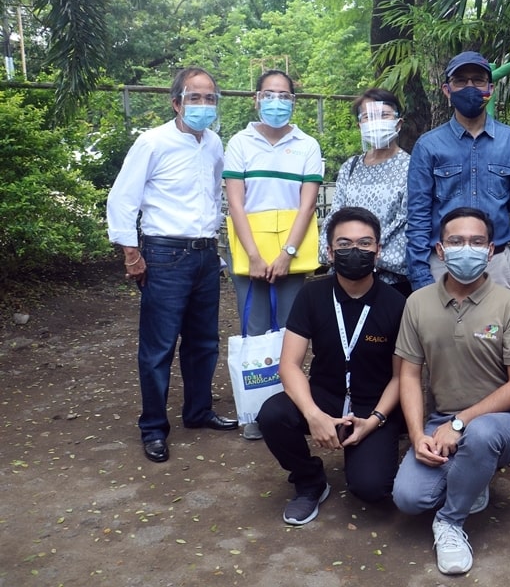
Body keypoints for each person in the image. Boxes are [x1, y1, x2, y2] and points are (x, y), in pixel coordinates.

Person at [392, 207, 510, 575]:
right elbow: (409, 376)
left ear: (491, 251)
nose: (466, 249)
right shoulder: (417, 303)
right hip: (440, 419)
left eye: (476, 241)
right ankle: (472, 478)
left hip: (502, 423)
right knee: (409, 498)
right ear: (440, 251)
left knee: (481, 434)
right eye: (456, 241)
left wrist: (460, 424)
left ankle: (450, 523)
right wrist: (415, 436)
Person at [106, 66, 238, 464]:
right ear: (176, 102)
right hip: (164, 255)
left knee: (204, 342)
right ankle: (153, 428)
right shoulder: (152, 143)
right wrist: (132, 254)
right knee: (159, 347)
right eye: (194, 97)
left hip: (204, 254)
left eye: (209, 98)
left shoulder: (214, 143)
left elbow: (217, 193)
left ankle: (198, 412)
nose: (202, 105)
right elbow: (122, 200)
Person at [257, 207, 407, 525]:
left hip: (372, 404)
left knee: (371, 488)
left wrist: (377, 419)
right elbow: (289, 365)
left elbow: (400, 377)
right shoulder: (312, 295)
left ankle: (376, 450)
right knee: (272, 414)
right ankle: (310, 481)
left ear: (379, 251)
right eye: (344, 244)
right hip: (324, 393)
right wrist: (313, 415)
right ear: (329, 251)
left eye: (365, 244)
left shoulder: (396, 303)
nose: (355, 251)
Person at [223, 69, 324, 440]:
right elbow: (235, 203)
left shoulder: (307, 145)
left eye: (284, 95)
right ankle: (254, 408)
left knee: (289, 332)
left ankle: (286, 407)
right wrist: (253, 255)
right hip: (249, 254)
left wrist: (287, 253)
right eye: (269, 94)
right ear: (256, 99)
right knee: (254, 329)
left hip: (291, 255)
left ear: (293, 101)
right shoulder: (239, 142)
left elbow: (308, 204)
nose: (276, 101)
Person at [405, 51, 510, 295]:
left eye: (477, 80)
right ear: (447, 90)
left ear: (490, 88)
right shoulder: (428, 146)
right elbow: (418, 214)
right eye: (461, 81)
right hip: (442, 263)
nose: (470, 87)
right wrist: (420, 274)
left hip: (496, 263)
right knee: (440, 332)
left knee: (494, 332)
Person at [320, 88, 411, 296]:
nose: (376, 122)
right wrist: (340, 255)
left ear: (399, 122)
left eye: (384, 115)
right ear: (359, 124)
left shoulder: (412, 167)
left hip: (390, 282)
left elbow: (406, 223)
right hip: (343, 277)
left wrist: (366, 256)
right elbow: (334, 218)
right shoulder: (350, 167)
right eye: (368, 116)